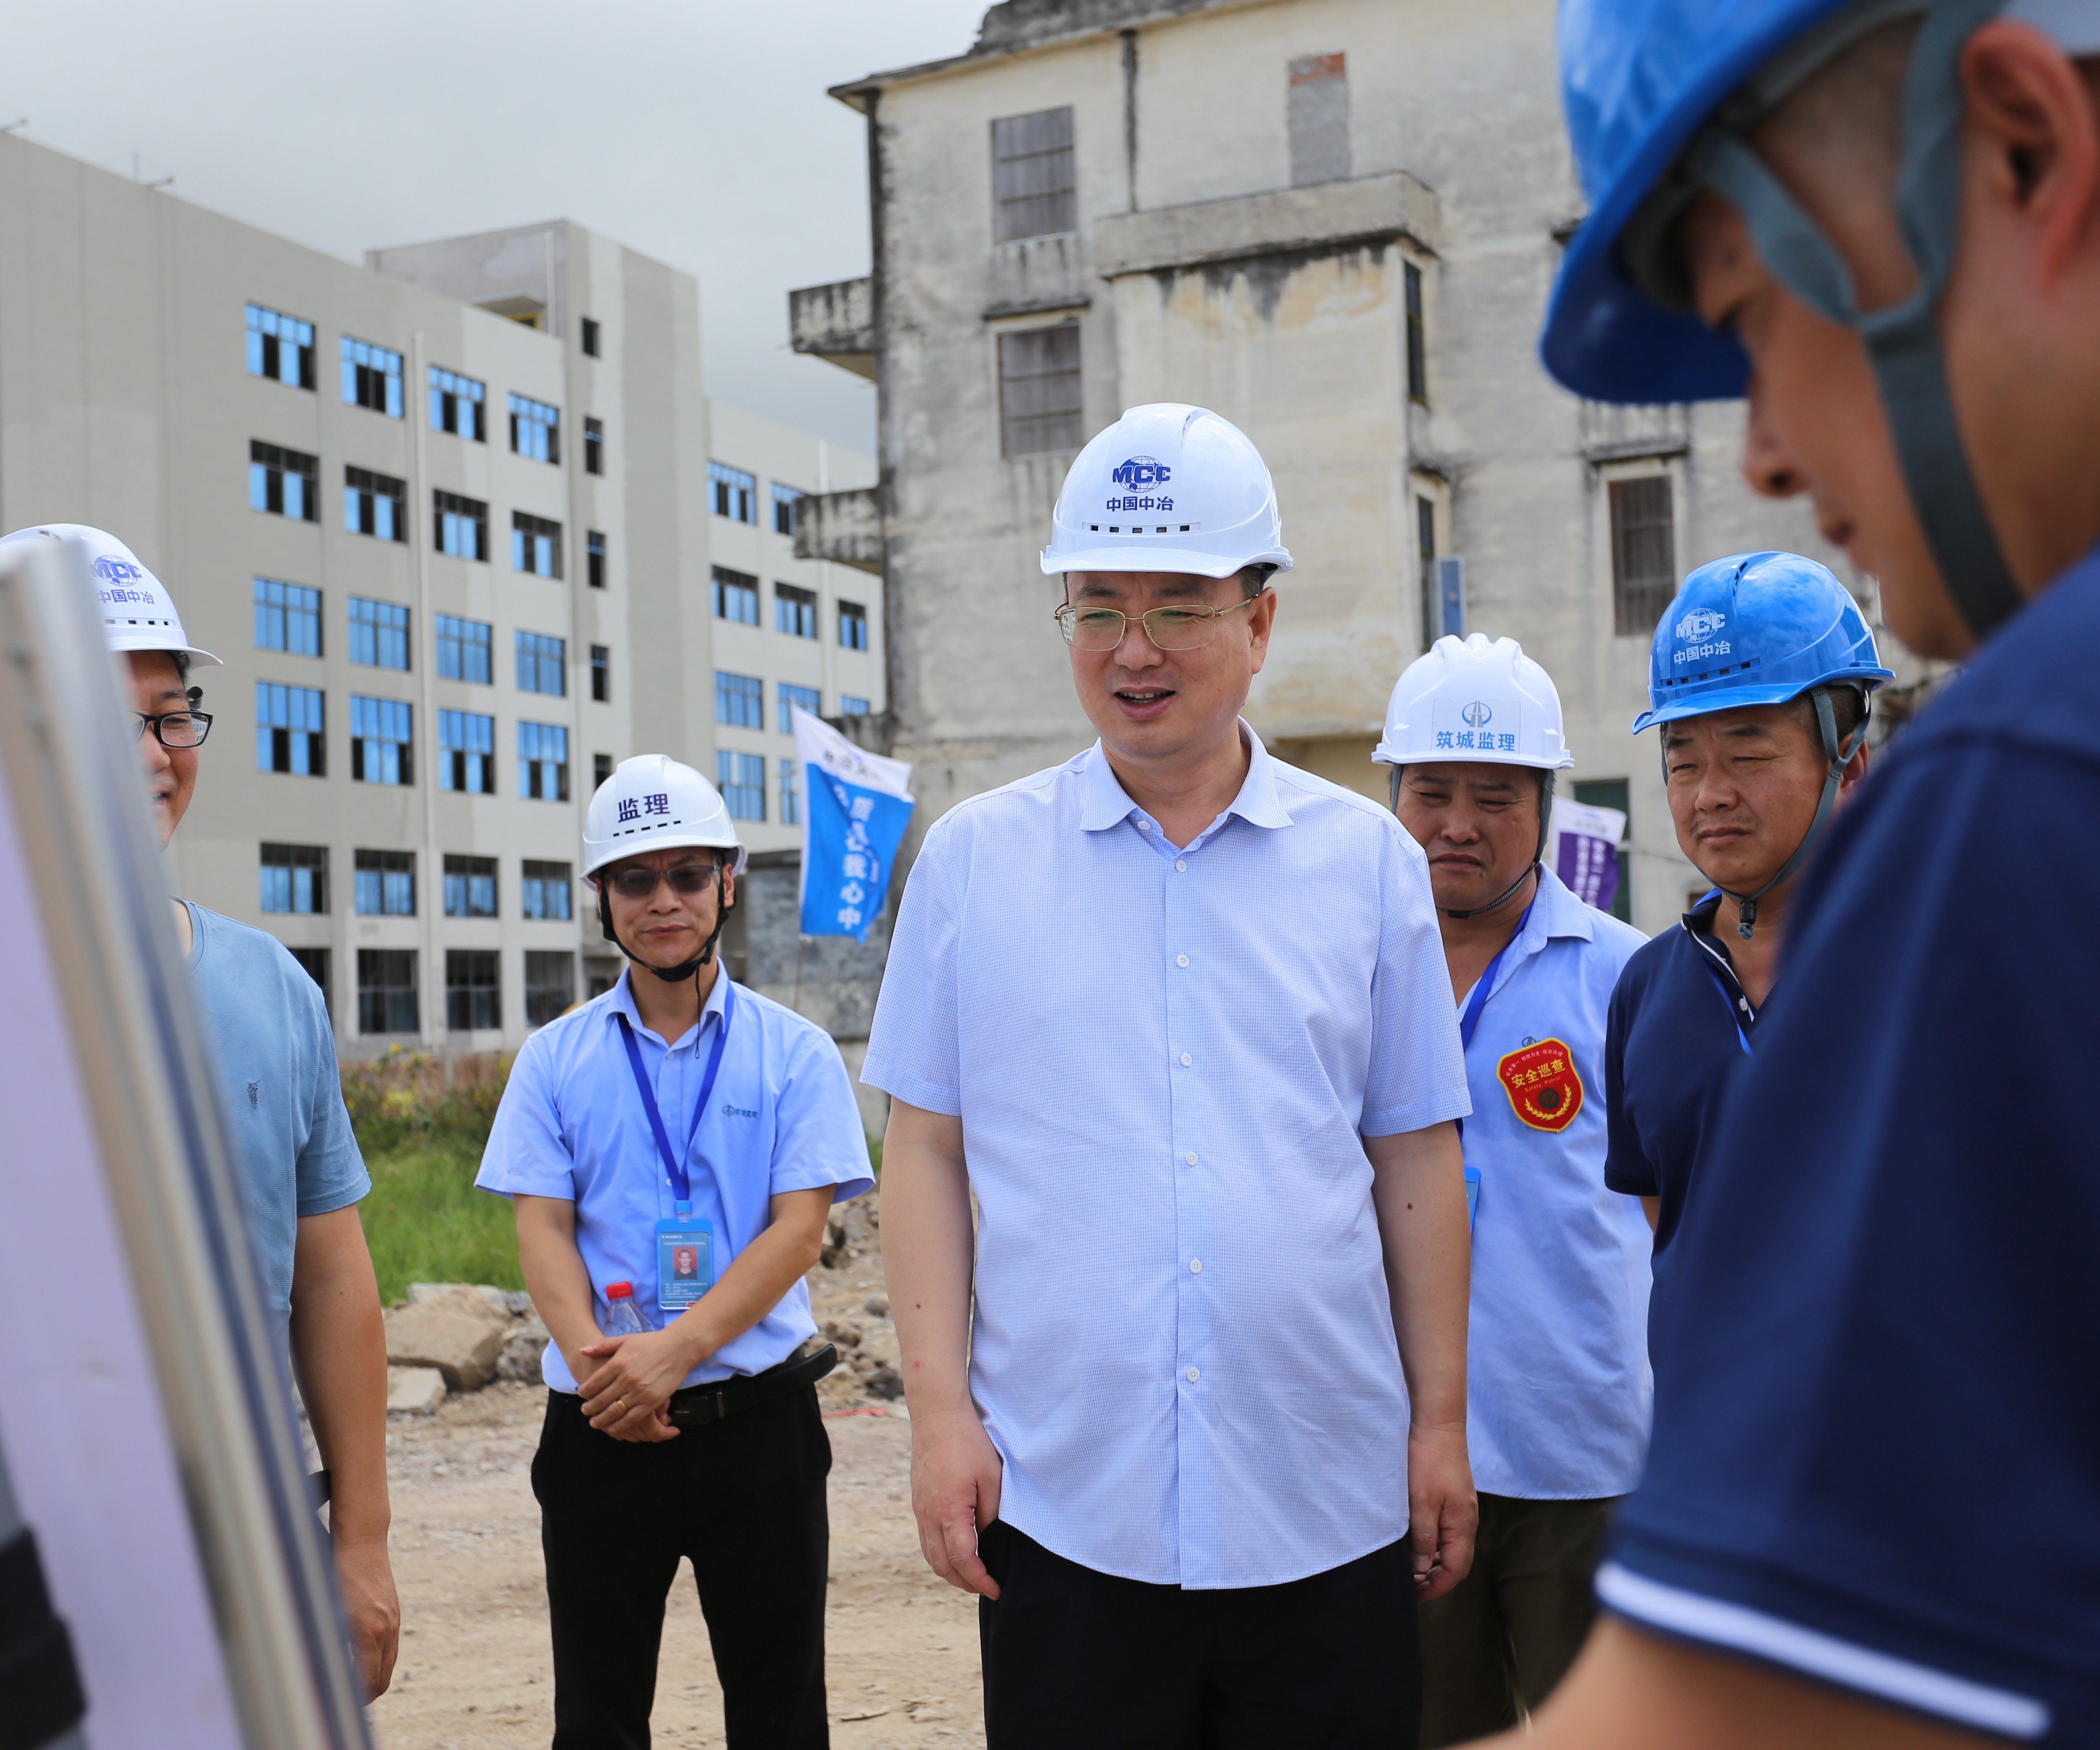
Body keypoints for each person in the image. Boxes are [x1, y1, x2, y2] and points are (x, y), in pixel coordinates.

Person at [1519, 0, 2100, 1744]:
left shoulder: (2088, 765)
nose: (1762, 450)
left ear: (2020, 143)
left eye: (1750, 319)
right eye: (1683, 753)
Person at [865, 403, 1478, 1749]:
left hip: (1325, 1500)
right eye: (1099, 608)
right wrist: (940, 1418)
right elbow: (925, 1149)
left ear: (1259, 622)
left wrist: (1440, 1424)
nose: (1133, 649)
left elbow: (1415, 1154)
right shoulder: (975, 863)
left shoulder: (1366, 863)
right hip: (1068, 1506)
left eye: (1179, 608)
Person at [0, 523, 400, 1696]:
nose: (154, 755)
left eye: (170, 717)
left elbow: (332, 1277)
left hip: (244, 1539)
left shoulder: (270, 986)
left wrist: (360, 1540)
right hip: (8, 1562)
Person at [477, 753, 871, 1749]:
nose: (664, 901)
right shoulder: (554, 1059)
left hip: (759, 1427)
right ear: (601, 899)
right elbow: (542, 1227)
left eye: (689, 874)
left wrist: (676, 1352)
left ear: (727, 884)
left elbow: (798, 1231)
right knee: (597, 1719)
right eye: (636, 879)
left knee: (783, 1716)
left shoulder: (794, 1053)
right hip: (601, 1426)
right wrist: (607, 1375)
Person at [1376, 634, 1652, 1744]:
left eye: (1495, 797)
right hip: (1391, 1460)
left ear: (1546, 804)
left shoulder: (1627, 979)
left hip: (1585, 1458)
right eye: (1432, 792)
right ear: (1392, 795)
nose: (1458, 823)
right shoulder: (1340, 976)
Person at [1598, 552, 1886, 1270]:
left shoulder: (1934, 960)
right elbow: (1669, 1216)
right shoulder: (1645, 988)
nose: (1710, 795)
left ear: (1849, 766)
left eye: (1748, 756)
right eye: (1684, 761)